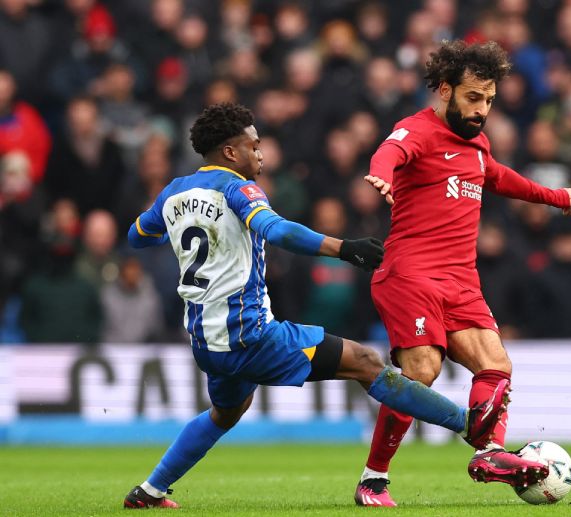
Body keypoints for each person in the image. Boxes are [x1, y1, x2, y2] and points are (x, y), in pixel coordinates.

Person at [122, 103, 509, 509]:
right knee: (365, 362)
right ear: (231, 153)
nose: (261, 155)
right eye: (254, 146)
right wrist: (343, 249)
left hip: (207, 342)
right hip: (250, 335)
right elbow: (278, 230)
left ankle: (148, 491)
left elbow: (137, 236)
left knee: (226, 412)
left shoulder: (174, 191)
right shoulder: (239, 188)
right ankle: (470, 428)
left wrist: (176, 228)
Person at [355, 40, 571, 507]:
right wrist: (381, 173)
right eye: (473, 98)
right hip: (410, 274)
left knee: (497, 366)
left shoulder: (478, 146)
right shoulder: (416, 130)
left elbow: (500, 177)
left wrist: (555, 198)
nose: (482, 110)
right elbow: (390, 151)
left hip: (461, 281)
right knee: (421, 369)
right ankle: (373, 479)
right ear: (446, 90)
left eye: (489, 100)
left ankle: (491, 453)